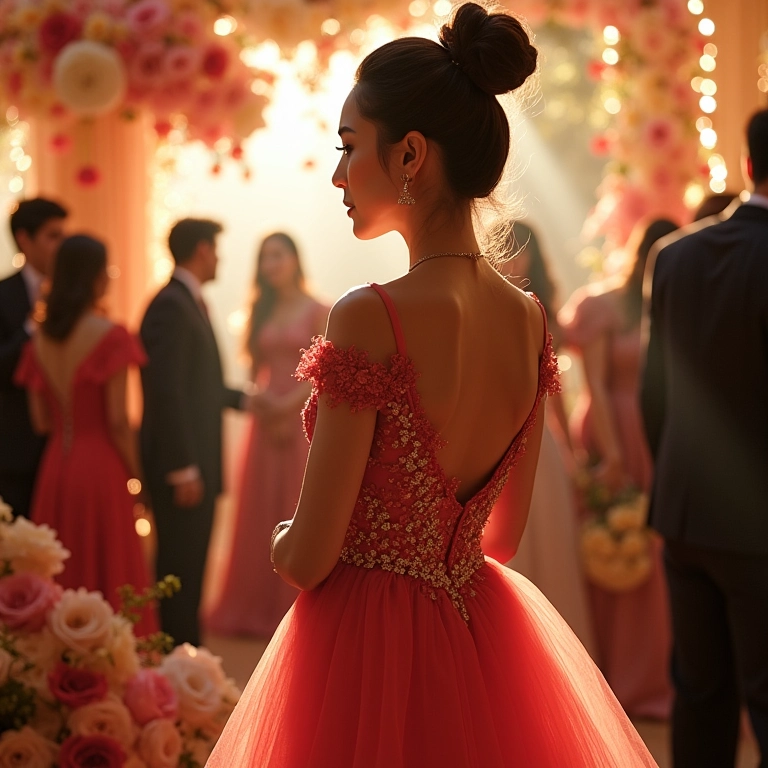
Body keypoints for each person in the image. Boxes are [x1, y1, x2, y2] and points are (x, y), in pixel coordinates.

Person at [208, 6, 656, 766]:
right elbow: (503, 540)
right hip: (477, 630)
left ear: (411, 153)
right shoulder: (528, 319)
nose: (337, 173)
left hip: (359, 641)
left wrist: (284, 540)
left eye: (350, 147)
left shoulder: (370, 315)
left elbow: (310, 557)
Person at [641, 108, 768, 768]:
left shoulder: (674, 256)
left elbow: (653, 393)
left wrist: (674, 477)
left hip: (686, 511)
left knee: (700, 693)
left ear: (749, 166)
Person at [558, 218, 677, 720]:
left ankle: (655, 675)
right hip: (613, 426)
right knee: (610, 546)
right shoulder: (604, 305)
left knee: (650, 555)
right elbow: (597, 385)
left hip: (659, 432)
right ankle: (614, 679)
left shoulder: (668, 305)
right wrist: (611, 455)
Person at [13, 235, 157, 633]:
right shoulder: (110, 336)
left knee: (62, 575)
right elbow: (116, 419)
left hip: (55, 468)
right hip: (100, 469)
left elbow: (42, 421)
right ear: (94, 277)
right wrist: (138, 477)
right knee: (112, 575)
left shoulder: (39, 341)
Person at [206, 233, 328, 638]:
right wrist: (262, 404)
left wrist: (286, 406)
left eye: (278, 255)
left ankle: (293, 606)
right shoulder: (261, 309)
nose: (271, 265)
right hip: (264, 425)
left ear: (296, 258)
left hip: (299, 422)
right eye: (264, 258)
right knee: (259, 509)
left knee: (296, 503)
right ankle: (252, 605)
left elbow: (322, 373)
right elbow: (253, 371)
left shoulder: (318, 310)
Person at [140, 218, 245, 647]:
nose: (219, 257)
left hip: (196, 461)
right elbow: (166, 391)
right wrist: (183, 467)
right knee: (179, 570)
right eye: (216, 249)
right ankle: (176, 661)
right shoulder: (171, 304)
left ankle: (186, 660)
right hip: (184, 467)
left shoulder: (190, 301)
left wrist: (250, 400)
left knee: (190, 567)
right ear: (202, 250)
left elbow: (200, 387)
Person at [495, 221, 596, 655]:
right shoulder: (480, 306)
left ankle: (551, 657)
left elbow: (557, 397)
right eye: (507, 250)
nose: (515, 260)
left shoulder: (543, 311)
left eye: (523, 251)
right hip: (490, 440)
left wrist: (574, 454)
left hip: (540, 441)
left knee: (550, 545)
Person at [0, 198, 66, 518]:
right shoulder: (2, 295)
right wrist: (30, 328)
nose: (61, 246)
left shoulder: (71, 299)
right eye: (53, 236)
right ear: (25, 239)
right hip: (14, 452)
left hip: (65, 448)